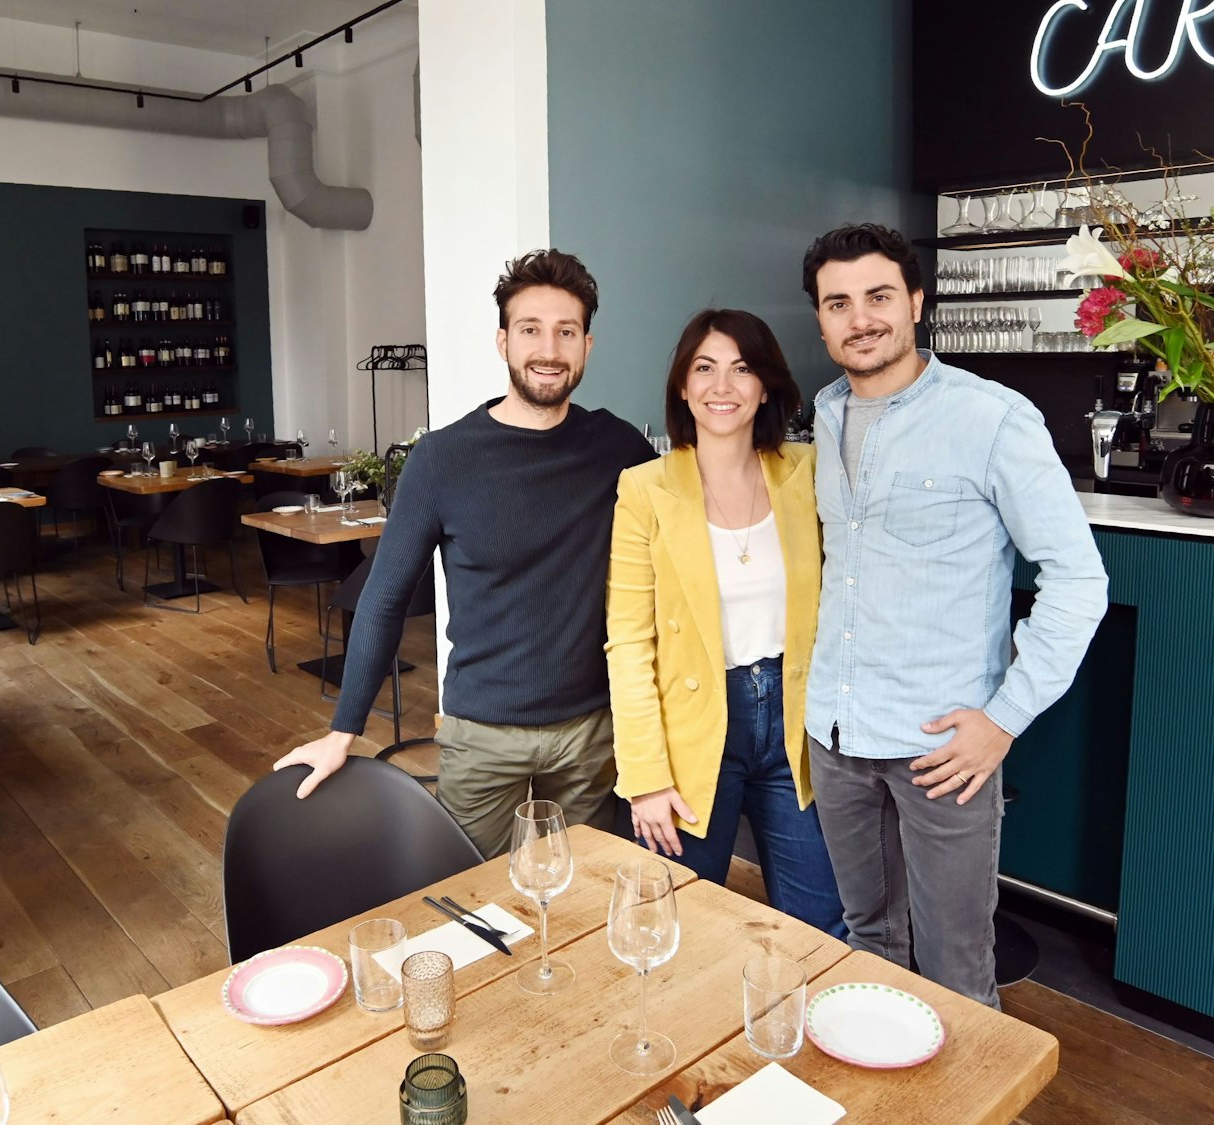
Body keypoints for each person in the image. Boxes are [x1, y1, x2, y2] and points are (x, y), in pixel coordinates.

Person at [800, 223, 1108, 1007]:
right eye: (839, 303)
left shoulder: (993, 418)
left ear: (915, 301)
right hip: (836, 735)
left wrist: (1003, 720)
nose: (860, 318)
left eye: (877, 296)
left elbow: (1078, 580)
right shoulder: (825, 414)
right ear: (821, 319)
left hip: (941, 750)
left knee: (956, 972)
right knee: (868, 943)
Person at [273, 250, 655, 858]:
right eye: (530, 330)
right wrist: (343, 731)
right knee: (474, 905)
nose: (548, 349)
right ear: (503, 342)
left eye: (566, 331)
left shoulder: (619, 448)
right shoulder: (441, 459)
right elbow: (384, 598)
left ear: (587, 344)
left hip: (592, 735)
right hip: (480, 736)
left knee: (586, 898)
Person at [606, 309, 846, 937]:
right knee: (677, 924)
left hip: (794, 725)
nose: (723, 386)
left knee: (822, 923)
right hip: (693, 729)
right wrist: (645, 778)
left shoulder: (808, 471)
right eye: (704, 368)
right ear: (682, 387)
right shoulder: (644, 489)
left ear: (765, 385)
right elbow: (629, 642)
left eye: (742, 369)